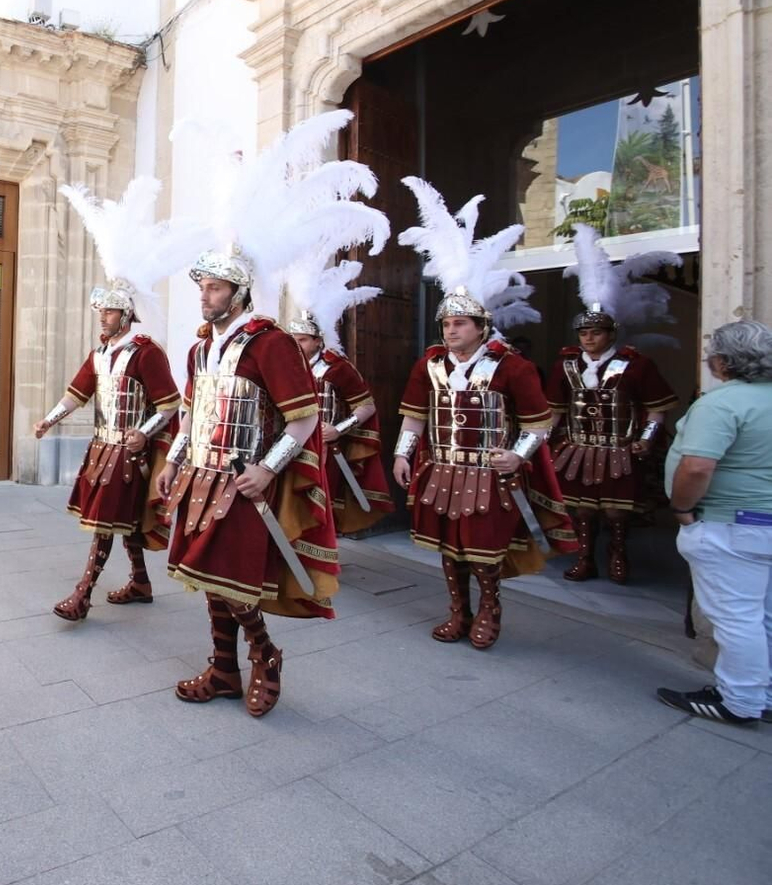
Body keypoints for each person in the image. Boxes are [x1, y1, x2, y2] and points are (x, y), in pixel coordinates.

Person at [156, 109, 386, 717]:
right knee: (207, 581)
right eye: (200, 285)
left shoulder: (271, 341)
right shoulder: (201, 345)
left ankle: (264, 656)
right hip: (199, 476)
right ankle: (224, 671)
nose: (202, 294)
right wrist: (173, 461)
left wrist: (269, 468)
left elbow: (305, 419)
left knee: (235, 582)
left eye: (211, 287)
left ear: (238, 290)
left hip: (242, 479)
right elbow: (190, 411)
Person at [392, 177, 573, 650]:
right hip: (442, 468)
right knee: (448, 549)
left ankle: (489, 611)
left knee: (485, 552)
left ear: (481, 327)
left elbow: (539, 421)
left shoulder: (511, 366)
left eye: (460, 323)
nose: (451, 330)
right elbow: (414, 415)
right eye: (446, 323)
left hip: (490, 473)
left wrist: (519, 456)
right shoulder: (428, 364)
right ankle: (458, 611)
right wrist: (402, 453)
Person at [34, 178, 187, 620]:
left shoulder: (146, 352)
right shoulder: (100, 353)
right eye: (101, 310)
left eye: (110, 311)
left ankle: (82, 595)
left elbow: (170, 404)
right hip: (103, 444)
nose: (103, 316)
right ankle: (140, 581)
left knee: (104, 523)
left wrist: (145, 432)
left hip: (130, 448)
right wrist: (48, 420)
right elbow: (77, 393)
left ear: (127, 314)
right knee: (125, 518)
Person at [548, 225, 681, 583]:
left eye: (596, 333)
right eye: (583, 333)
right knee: (580, 510)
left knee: (616, 511)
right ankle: (585, 559)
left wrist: (648, 438)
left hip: (619, 448)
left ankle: (619, 555)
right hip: (576, 448)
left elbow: (657, 405)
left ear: (611, 334)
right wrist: (544, 441)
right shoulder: (567, 365)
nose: (589, 339)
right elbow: (555, 409)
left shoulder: (636, 364)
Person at [657, 320, 772, 726]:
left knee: (736, 617)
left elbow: (698, 466)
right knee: (763, 615)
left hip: (731, 525)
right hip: (761, 524)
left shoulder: (722, 403)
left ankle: (739, 701)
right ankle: (764, 693)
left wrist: (682, 510)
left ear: (723, 361)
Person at [283, 259, 393, 535]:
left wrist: (338, 429)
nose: (297, 344)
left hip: (325, 450)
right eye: (293, 338)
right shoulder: (283, 368)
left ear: (318, 341)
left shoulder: (337, 368)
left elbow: (365, 406)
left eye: (304, 339)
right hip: (288, 446)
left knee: (324, 506)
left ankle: (324, 557)